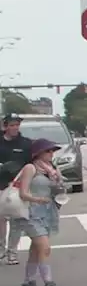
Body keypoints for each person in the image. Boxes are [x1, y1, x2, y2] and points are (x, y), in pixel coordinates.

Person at [14, 139, 65, 286]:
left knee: (36, 250)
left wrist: (59, 187)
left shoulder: (52, 170)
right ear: (38, 153)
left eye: (52, 151)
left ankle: (28, 284)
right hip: (31, 212)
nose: (51, 154)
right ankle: (49, 284)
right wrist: (37, 199)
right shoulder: (31, 168)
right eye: (48, 151)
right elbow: (23, 193)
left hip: (48, 212)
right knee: (44, 247)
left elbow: (58, 189)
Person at [0, 113, 33, 266]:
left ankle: (12, 252)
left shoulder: (25, 144)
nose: (15, 128)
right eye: (12, 125)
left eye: (17, 125)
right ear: (5, 126)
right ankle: (1, 249)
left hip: (18, 187)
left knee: (16, 221)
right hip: (0, 185)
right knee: (1, 219)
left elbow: (32, 163)